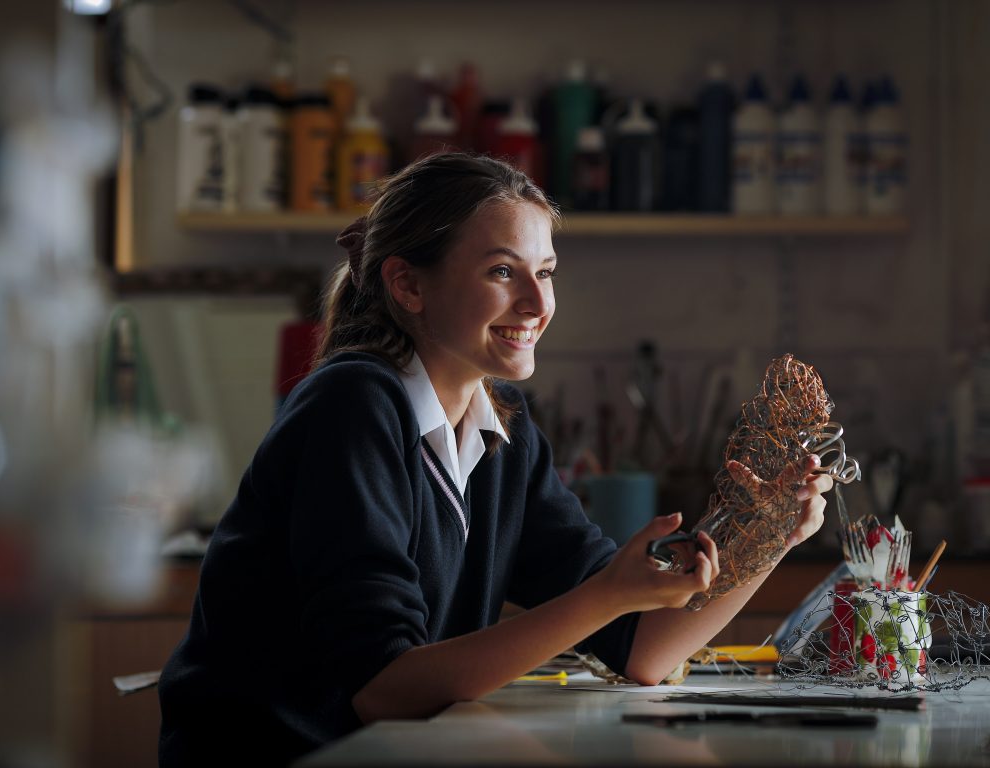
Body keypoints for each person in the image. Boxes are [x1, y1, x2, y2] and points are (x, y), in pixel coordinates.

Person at [157, 153, 832, 766]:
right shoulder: (352, 406)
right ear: (408, 286)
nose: (538, 305)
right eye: (503, 272)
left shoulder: (502, 430)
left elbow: (642, 650)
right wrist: (606, 594)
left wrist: (770, 531)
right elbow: (382, 691)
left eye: (545, 273)